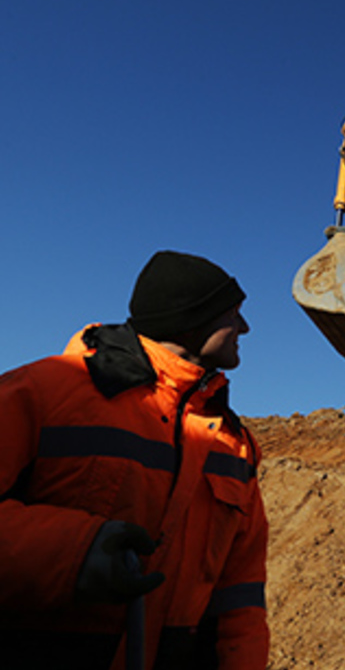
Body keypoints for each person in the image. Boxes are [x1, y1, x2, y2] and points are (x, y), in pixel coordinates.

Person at [0, 250, 269, 669]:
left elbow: (241, 590)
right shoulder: (42, 393)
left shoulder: (234, 442)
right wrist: (71, 551)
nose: (245, 327)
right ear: (191, 318)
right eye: (232, 313)